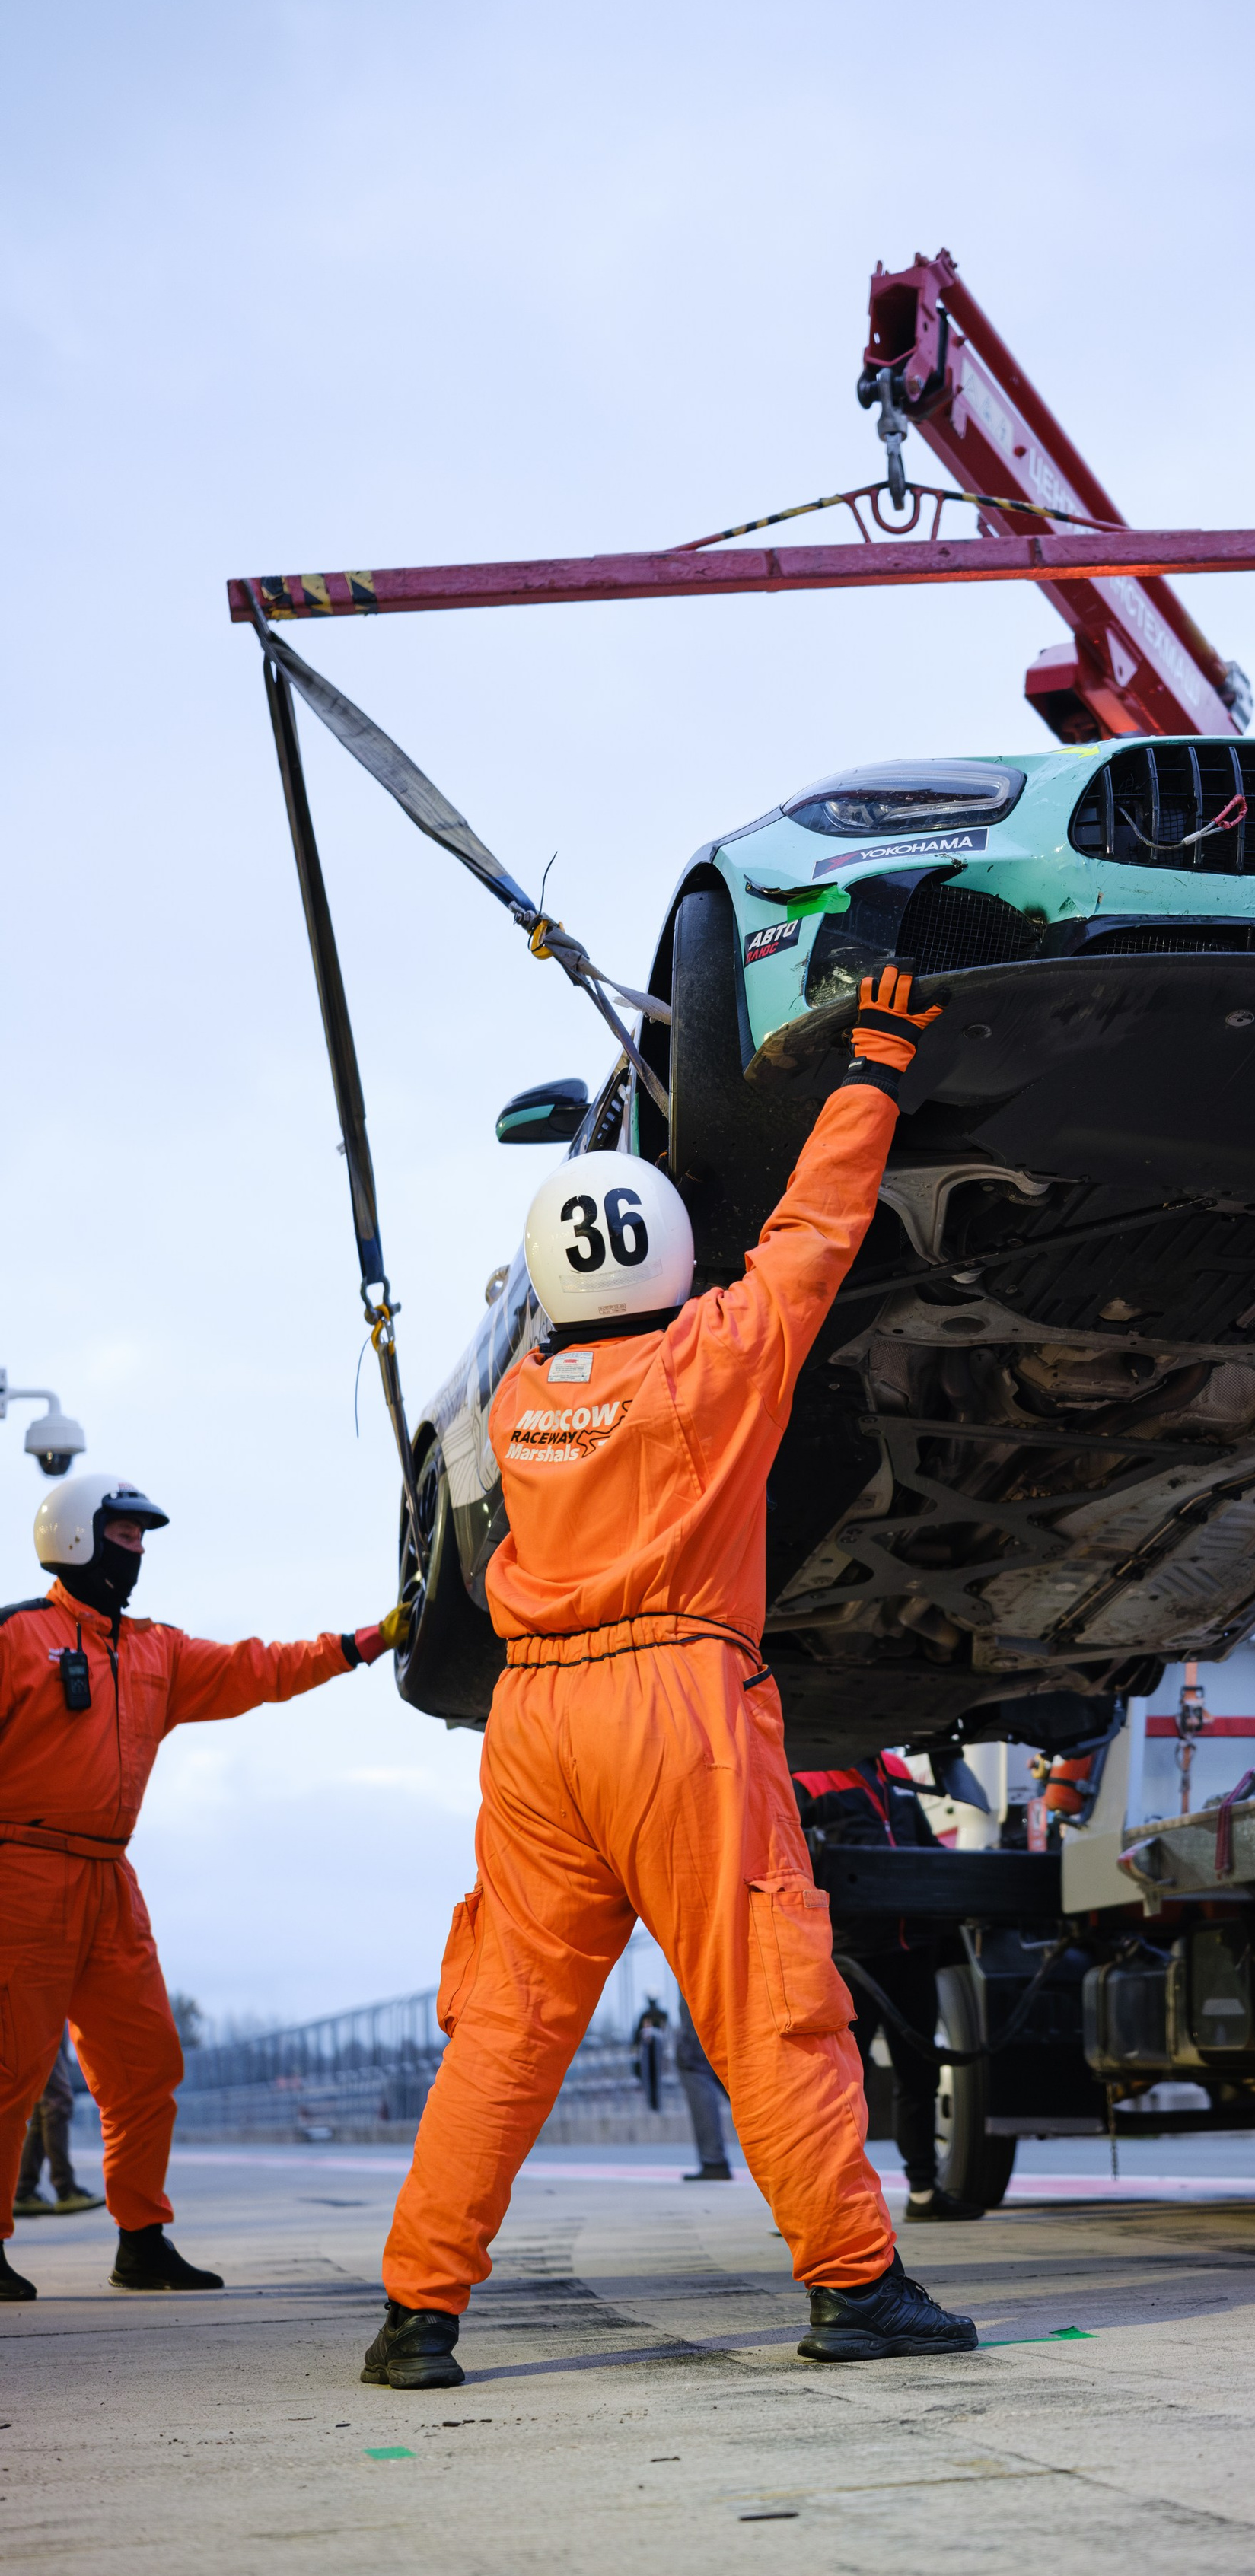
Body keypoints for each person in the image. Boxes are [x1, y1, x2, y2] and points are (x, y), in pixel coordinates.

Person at [365, 970, 978, 2385]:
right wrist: (875, 1064)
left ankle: (418, 2316)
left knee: (504, 2028)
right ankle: (854, 2288)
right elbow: (815, 1236)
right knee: (768, 1999)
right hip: (676, 1714)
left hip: (534, 1725)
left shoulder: (524, 1402)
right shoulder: (713, 1360)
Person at [0, 1473, 405, 2303]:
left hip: (110, 1877)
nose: (138, 1551)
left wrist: (363, 1641)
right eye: (124, 1535)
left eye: (143, 1538)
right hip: (20, 1870)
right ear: (76, 1538)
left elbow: (259, 1669)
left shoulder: (158, 1651)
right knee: (10, 2068)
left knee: (148, 2065)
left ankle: (142, 2240)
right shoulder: (16, 1638)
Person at [795, 1753, 982, 2221]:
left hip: (910, 1949)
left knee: (917, 2073)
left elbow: (922, 1847)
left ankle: (923, 2191)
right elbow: (791, 1859)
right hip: (852, 1956)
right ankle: (821, 2208)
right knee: (838, 2086)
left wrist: (977, 1883)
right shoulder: (807, 1775)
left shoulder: (896, 1773)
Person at [14, 2036, 103, 2218]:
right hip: (38, 2029)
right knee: (58, 2102)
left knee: (43, 2110)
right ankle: (65, 2189)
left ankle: (24, 2191)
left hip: (45, 2031)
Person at [673, 1994, 734, 2180]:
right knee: (731, 2060)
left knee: (693, 2060)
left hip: (705, 1974)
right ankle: (786, 2145)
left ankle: (712, 2160)